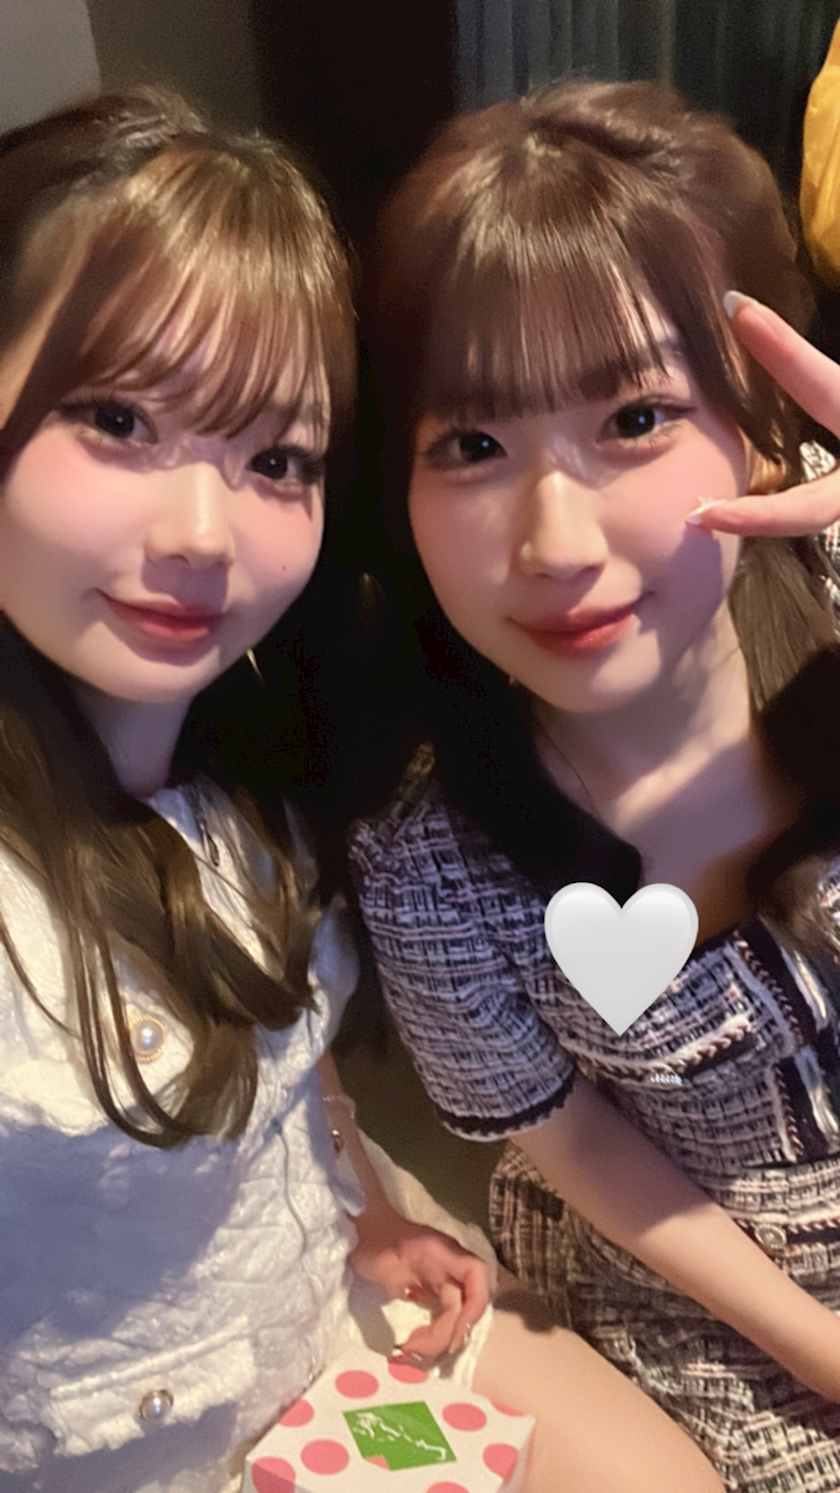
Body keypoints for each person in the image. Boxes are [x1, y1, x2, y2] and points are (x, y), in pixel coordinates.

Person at [0, 87, 728, 1493]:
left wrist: (359, 1205)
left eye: (275, 458)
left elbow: (282, 1053)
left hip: (330, 1323)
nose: (203, 532)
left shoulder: (259, 771)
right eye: (118, 418)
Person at [350, 78, 840, 1490]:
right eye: (472, 445)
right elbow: (566, 1139)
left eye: (634, 416)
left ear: (765, 429)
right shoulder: (428, 857)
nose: (555, 544)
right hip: (701, 1288)